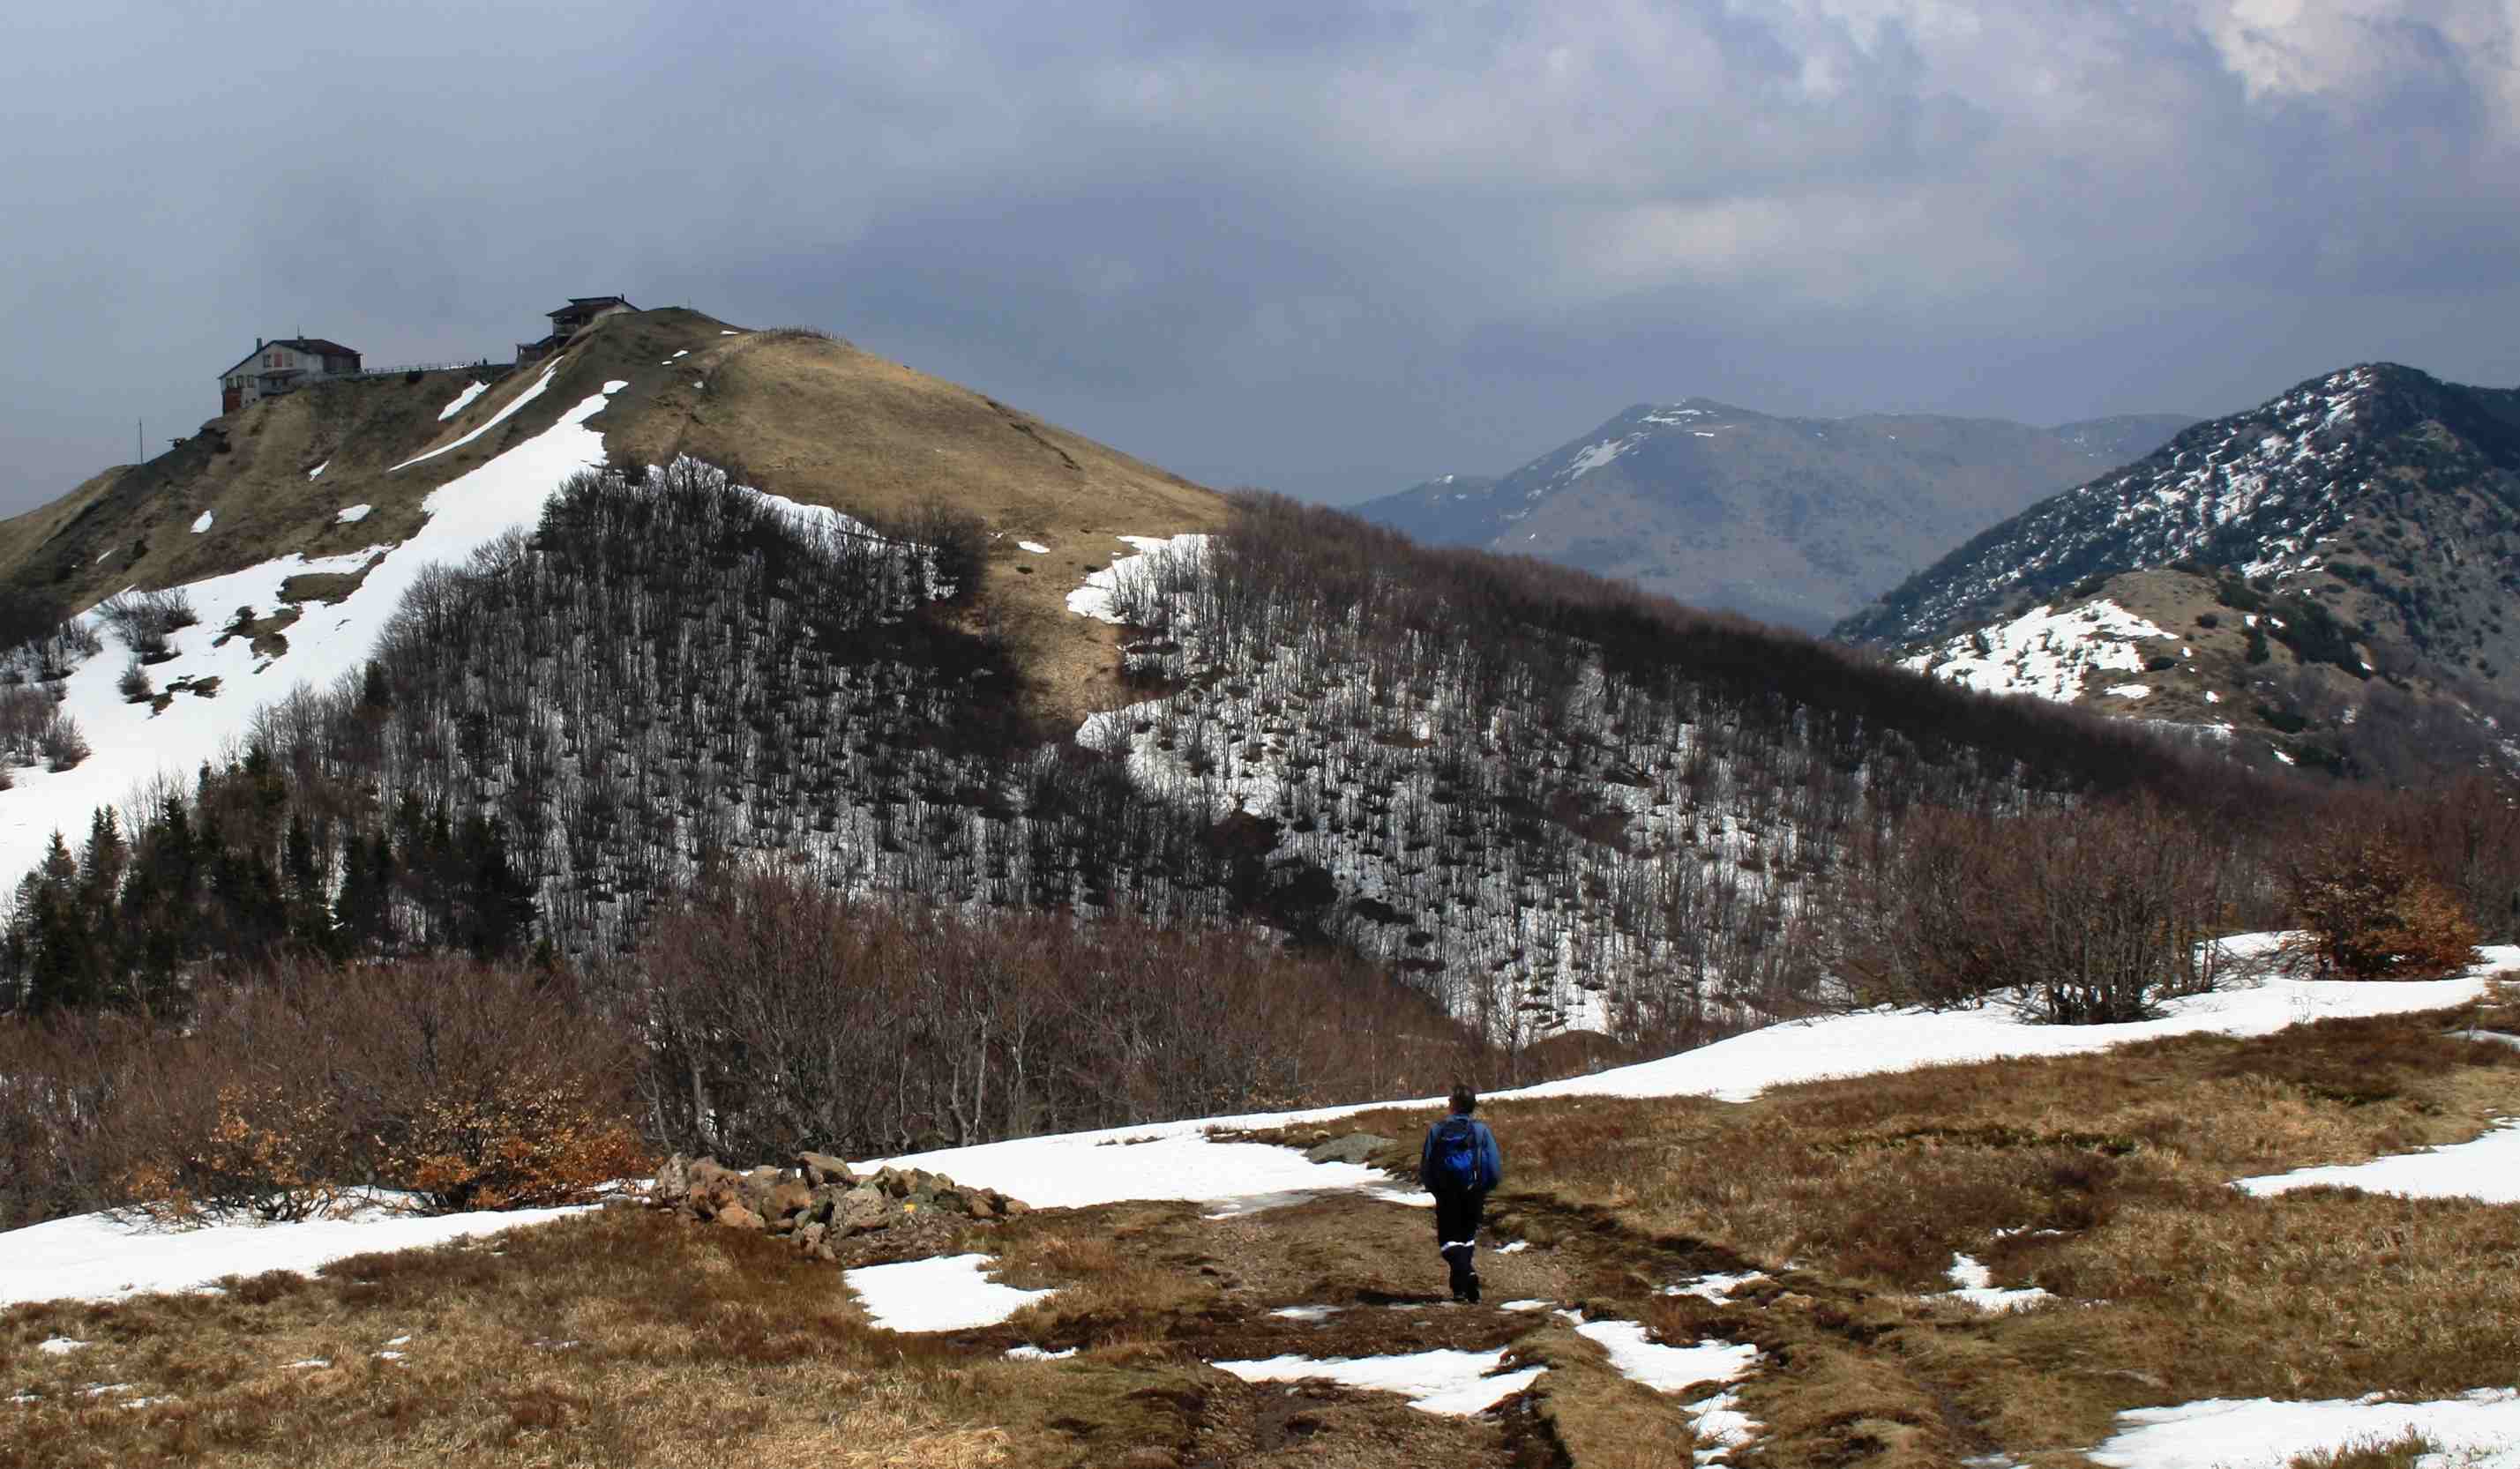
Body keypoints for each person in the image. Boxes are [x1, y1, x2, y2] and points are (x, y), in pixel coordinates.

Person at [1418, 1084, 1504, 1303]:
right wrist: (1487, 1187)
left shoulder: (1437, 1130)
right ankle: (1461, 1288)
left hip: (1446, 1194)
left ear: (1454, 1105)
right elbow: (1494, 1166)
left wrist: (1433, 1188)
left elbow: (1426, 1165)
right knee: (1466, 1238)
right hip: (1474, 1191)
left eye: (1449, 1101)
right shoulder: (1481, 1131)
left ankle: (1466, 1276)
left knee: (1448, 1242)